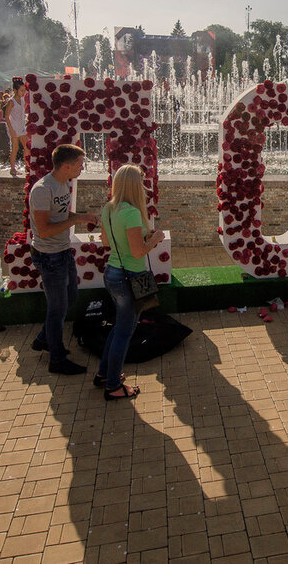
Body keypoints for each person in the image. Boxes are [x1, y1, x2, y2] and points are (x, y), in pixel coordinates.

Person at [28, 143, 99, 376]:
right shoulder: (42, 190)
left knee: (70, 297)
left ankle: (43, 339)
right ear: (66, 165)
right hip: (49, 256)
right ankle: (56, 359)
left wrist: (82, 216)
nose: (82, 168)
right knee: (57, 309)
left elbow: (61, 214)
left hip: (62, 251)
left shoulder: (63, 184)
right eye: (79, 164)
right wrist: (75, 221)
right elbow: (45, 229)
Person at [99, 163, 164, 399]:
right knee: (125, 332)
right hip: (130, 277)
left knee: (119, 328)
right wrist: (155, 239)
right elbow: (138, 252)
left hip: (112, 272)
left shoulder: (108, 209)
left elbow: (106, 243)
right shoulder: (132, 213)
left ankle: (105, 374)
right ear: (136, 186)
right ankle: (113, 386)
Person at [6, 77, 29, 177]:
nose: (23, 92)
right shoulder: (11, 101)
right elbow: (6, 117)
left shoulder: (23, 100)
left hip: (22, 126)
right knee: (15, 148)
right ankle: (12, 169)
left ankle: (27, 166)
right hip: (13, 126)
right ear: (15, 90)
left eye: (24, 90)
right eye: (21, 90)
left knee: (27, 146)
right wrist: (11, 130)